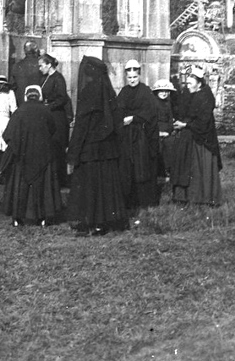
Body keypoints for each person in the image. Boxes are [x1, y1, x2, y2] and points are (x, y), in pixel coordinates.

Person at [67, 56, 128, 236]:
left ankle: (89, 220)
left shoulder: (88, 92)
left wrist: (73, 149)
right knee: (105, 184)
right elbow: (116, 121)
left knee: (90, 185)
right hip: (107, 148)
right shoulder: (109, 93)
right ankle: (104, 221)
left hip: (90, 148)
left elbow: (82, 124)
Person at [0, 85, 62, 226]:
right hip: (42, 155)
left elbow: (8, 134)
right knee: (43, 186)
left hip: (22, 155)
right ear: (39, 96)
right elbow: (53, 129)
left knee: (20, 185)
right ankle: (44, 217)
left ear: (26, 96)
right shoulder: (45, 111)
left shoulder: (19, 111)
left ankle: (17, 217)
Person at [171, 65, 222, 206]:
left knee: (199, 167)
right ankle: (184, 196)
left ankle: (203, 198)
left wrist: (185, 125)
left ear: (200, 83)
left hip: (203, 139)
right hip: (190, 134)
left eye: (191, 83)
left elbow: (203, 123)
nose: (188, 86)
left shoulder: (205, 96)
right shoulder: (190, 93)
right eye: (187, 83)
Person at [117, 60, 160, 212]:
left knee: (141, 167)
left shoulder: (145, 91)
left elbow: (150, 112)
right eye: (130, 77)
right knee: (127, 167)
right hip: (127, 136)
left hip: (141, 135)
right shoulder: (124, 92)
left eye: (135, 77)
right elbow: (118, 109)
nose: (132, 80)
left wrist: (134, 118)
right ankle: (129, 201)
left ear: (139, 75)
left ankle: (144, 202)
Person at [39, 53, 71, 188]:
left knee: (58, 149)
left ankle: (60, 181)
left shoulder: (58, 78)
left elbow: (62, 98)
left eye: (41, 65)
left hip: (57, 117)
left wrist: (49, 106)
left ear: (49, 65)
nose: (40, 68)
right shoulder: (47, 78)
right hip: (50, 116)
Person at [151, 79, 178, 181]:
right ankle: (158, 173)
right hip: (156, 130)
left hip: (167, 131)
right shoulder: (154, 103)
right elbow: (152, 120)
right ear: (157, 92)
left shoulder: (168, 103)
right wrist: (158, 132)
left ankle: (168, 171)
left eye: (166, 91)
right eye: (161, 91)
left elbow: (170, 118)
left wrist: (171, 130)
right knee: (158, 149)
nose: (164, 93)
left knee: (171, 147)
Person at [11, 40, 42, 106]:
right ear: (36, 50)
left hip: (21, 102)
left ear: (25, 51)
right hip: (38, 101)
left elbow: (12, 85)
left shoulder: (17, 66)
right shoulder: (41, 65)